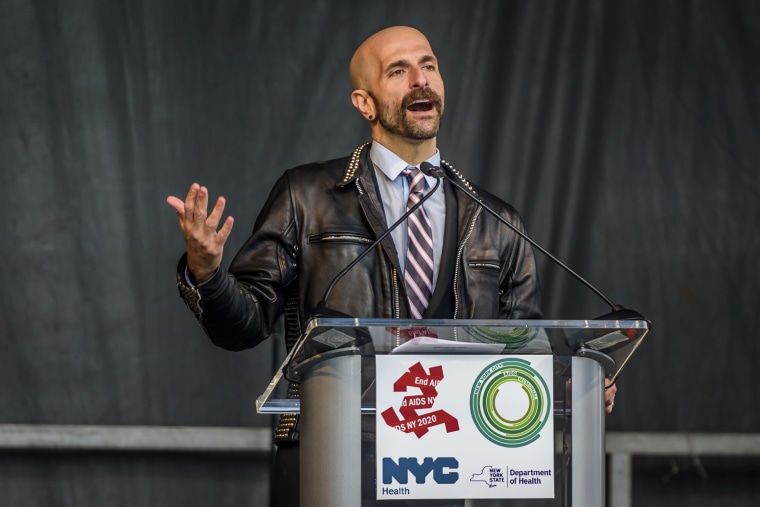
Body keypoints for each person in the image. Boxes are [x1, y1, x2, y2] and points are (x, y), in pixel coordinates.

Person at [167, 25, 617, 507]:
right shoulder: (307, 196)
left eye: (429, 66)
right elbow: (245, 324)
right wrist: (208, 273)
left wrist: (565, 381)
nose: (420, 80)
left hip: (459, 462)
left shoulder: (496, 220)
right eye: (398, 71)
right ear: (364, 103)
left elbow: (521, 349)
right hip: (335, 456)